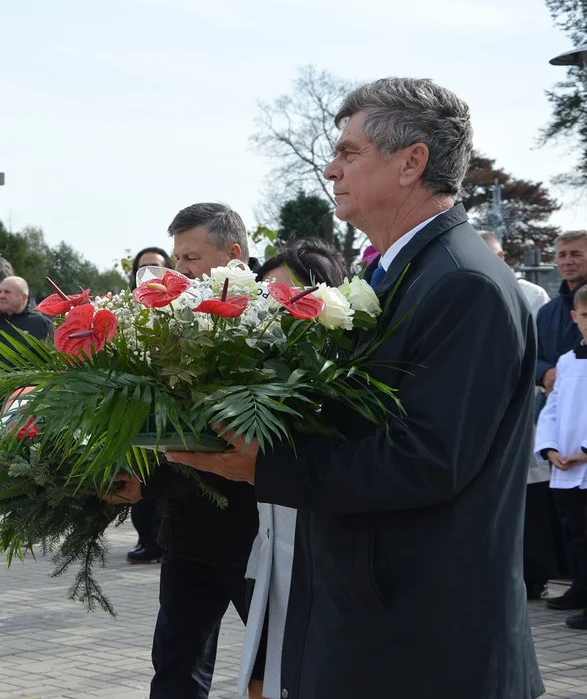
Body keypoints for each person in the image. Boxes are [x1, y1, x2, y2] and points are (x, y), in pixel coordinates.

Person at [168, 78, 544, 698]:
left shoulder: (462, 284)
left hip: (426, 648)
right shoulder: (393, 270)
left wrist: (267, 463)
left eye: (349, 152)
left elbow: (425, 459)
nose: (331, 168)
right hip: (374, 626)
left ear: (411, 162)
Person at [106, 202, 259, 699]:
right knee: (175, 666)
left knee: (273, 666)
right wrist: (138, 481)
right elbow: (171, 437)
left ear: (233, 255)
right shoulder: (170, 325)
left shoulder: (268, 326)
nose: (181, 271)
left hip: (255, 540)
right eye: (177, 258)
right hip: (188, 535)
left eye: (191, 257)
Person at [238, 239, 348, 699]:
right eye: (266, 296)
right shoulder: (241, 371)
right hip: (269, 553)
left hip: (326, 561)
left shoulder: (343, 379)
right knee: (261, 680)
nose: (274, 308)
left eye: (289, 297)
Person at [480, 230, 559, 601]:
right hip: (486, 405)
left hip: (527, 401)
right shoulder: (468, 285)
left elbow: (538, 346)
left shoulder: (531, 293)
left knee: (532, 497)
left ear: (503, 256)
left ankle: (537, 574)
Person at [534, 230, 587, 613]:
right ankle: (578, 586)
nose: (568, 261)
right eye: (563, 254)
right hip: (561, 426)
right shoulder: (550, 311)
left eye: (577, 254)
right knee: (572, 523)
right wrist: (545, 373)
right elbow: (532, 354)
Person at [126, 247, 174, 565]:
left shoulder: (179, 304)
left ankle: (160, 539)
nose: (149, 276)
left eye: (156, 269)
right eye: (142, 270)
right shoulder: (128, 309)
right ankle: (146, 538)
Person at [0, 277, 53, 425]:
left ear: (23, 297)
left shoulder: (41, 325)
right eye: (0, 292)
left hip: (29, 408)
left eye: (7, 292)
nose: (1, 296)